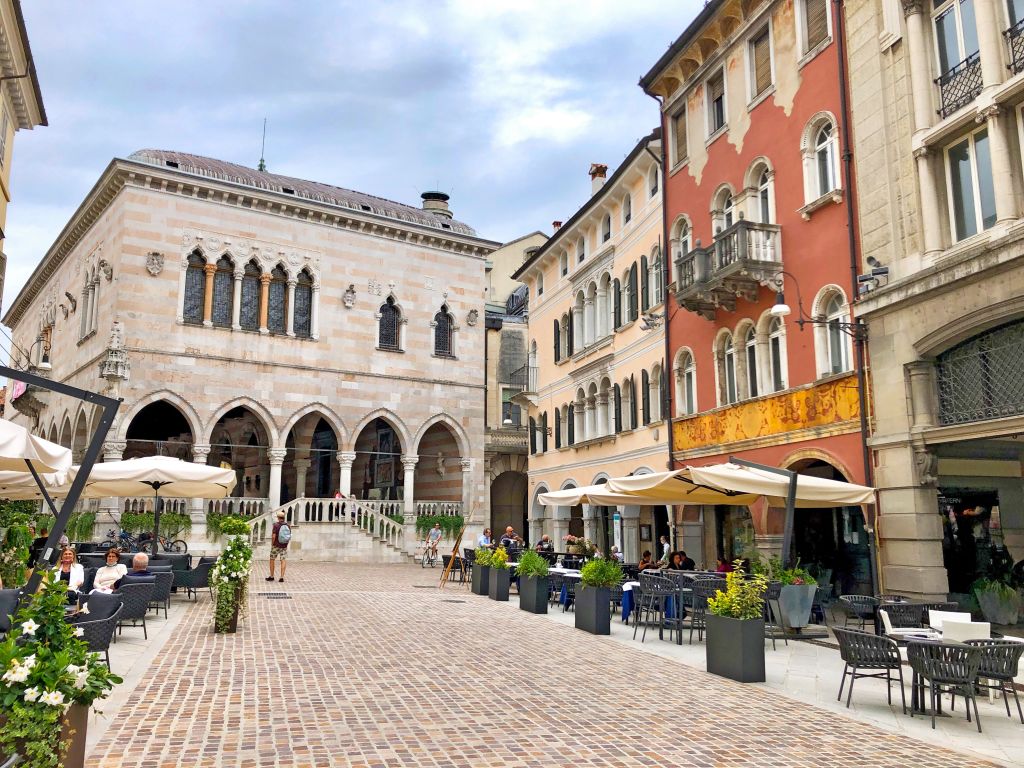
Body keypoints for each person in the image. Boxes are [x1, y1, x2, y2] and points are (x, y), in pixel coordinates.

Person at [267, 510, 289, 583]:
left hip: (276, 545)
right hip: (284, 545)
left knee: (272, 559)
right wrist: (286, 544)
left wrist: (272, 544)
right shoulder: (287, 525)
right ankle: (281, 577)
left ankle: (272, 576)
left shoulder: (276, 525)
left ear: (278, 518)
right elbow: (288, 536)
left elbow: (273, 536)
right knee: (283, 560)